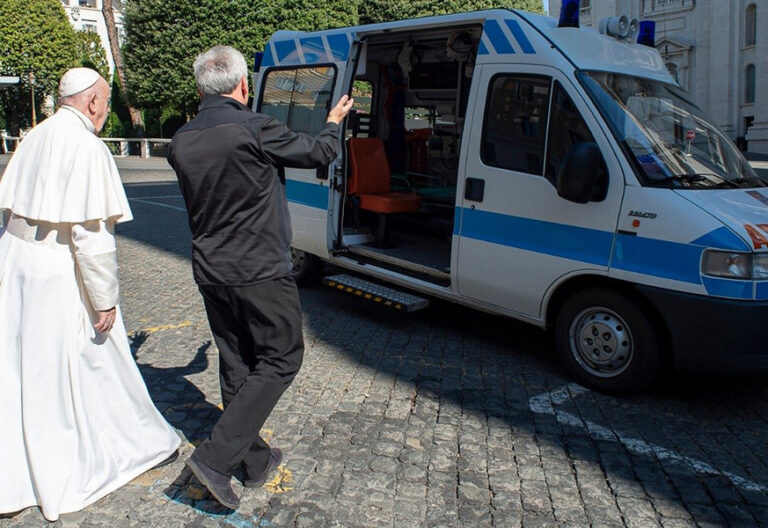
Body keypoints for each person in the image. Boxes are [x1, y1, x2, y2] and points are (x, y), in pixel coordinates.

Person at [167, 46, 353, 509]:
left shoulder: (181, 140)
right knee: (282, 356)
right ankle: (214, 459)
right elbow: (319, 152)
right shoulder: (253, 127)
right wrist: (333, 120)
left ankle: (253, 461)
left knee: (238, 364)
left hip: (211, 269)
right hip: (259, 269)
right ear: (243, 86)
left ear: (199, 88)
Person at [0, 68, 181, 522]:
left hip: (17, 260)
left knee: (20, 366)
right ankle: (83, 458)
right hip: (56, 271)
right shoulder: (86, 145)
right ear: (94, 102)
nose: (104, 109)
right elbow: (92, 238)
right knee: (84, 363)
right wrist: (104, 300)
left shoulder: (36, 135)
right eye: (103, 99)